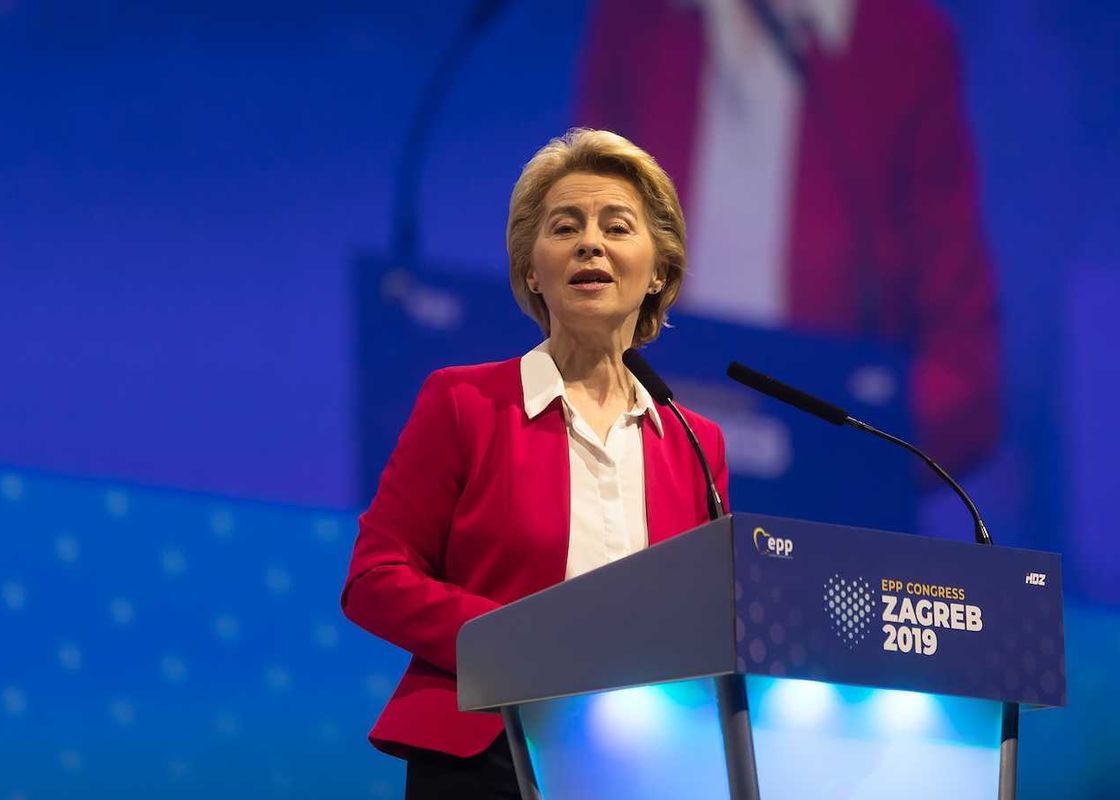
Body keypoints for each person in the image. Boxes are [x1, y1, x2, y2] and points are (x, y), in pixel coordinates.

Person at [341, 129, 731, 799]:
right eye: (564, 227)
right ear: (531, 269)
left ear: (659, 270)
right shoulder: (462, 403)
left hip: (647, 765)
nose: (590, 243)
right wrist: (514, 644)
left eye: (617, 226)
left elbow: (703, 617)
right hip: (489, 753)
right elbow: (375, 578)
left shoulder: (695, 442)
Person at [577, 0, 1001, 477]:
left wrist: (834, 455)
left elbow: (965, 379)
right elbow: (580, 292)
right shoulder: (637, 21)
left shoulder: (905, 42)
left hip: (820, 507)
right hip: (639, 478)